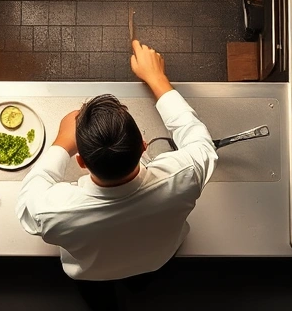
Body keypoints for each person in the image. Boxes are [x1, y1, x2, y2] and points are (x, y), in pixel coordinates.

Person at [16, 40, 218, 308]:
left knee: (98, 299)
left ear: (81, 162)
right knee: (141, 282)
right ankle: (136, 286)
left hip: (91, 274)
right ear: (144, 145)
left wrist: (62, 143)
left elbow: (31, 196)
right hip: (155, 261)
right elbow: (200, 142)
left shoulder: (50, 212)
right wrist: (157, 78)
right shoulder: (185, 174)